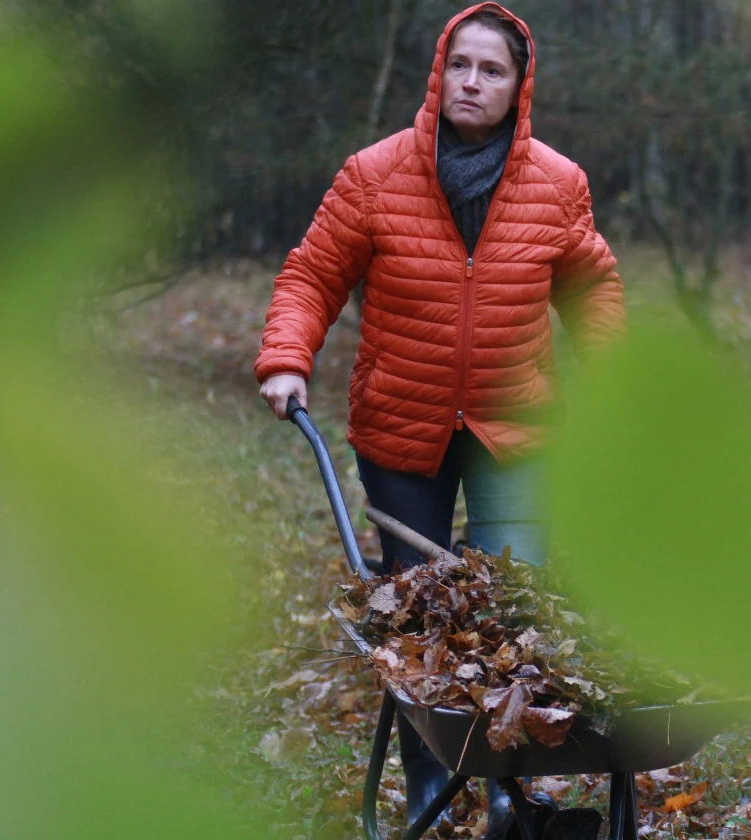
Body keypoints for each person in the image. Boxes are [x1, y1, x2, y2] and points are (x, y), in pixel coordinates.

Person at [253, 3, 625, 834]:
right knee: (420, 619)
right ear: (438, 69)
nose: (473, 82)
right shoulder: (374, 174)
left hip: (515, 428)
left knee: (512, 609)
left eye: (493, 71)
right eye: (461, 64)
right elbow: (313, 273)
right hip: (401, 426)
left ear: (519, 89)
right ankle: (430, 785)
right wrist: (286, 357)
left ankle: (507, 794)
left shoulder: (557, 184)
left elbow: (591, 289)